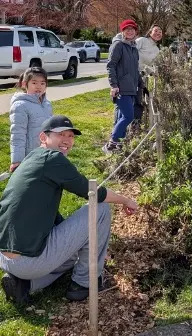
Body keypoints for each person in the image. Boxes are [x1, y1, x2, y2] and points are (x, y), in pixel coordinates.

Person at [0, 115, 138, 305]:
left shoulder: (32, 157)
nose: (67, 140)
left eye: (71, 136)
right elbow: (92, 192)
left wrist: (92, 246)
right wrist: (126, 200)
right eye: (60, 135)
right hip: (28, 260)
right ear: (43, 137)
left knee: (76, 251)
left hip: (6, 256)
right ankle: (85, 283)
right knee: (101, 209)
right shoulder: (53, 159)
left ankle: (24, 285)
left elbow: (48, 212)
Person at [103, 19, 142, 153]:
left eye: (132, 29)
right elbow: (111, 65)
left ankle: (118, 144)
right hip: (121, 88)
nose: (130, 31)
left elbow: (135, 70)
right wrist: (113, 85)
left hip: (131, 88)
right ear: (123, 31)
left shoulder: (133, 48)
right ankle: (112, 142)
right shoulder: (118, 45)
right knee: (128, 116)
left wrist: (141, 84)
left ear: (136, 32)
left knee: (122, 116)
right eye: (127, 29)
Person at [9, 67, 52, 173]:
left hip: (46, 153)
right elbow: (17, 134)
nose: (39, 86)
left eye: (42, 83)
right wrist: (17, 160)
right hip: (29, 156)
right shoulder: (20, 105)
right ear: (24, 84)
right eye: (34, 83)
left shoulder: (47, 104)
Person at [134, 24, 163, 126]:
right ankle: (131, 124)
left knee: (140, 100)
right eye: (156, 31)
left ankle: (136, 123)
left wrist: (153, 72)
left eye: (160, 32)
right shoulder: (142, 41)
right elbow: (131, 51)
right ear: (150, 32)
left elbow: (154, 65)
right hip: (133, 73)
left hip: (143, 77)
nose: (158, 33)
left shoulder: (157, 50)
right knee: (134, 100)